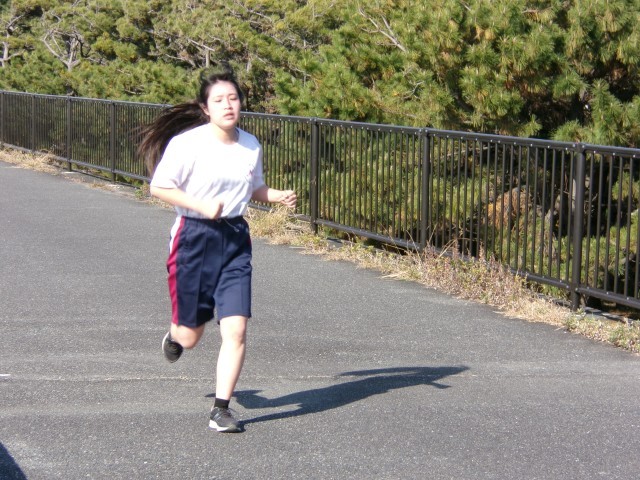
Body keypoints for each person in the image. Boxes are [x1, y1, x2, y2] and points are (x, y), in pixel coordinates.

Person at [138, 68, 297, 433]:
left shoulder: (250, 144)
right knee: (190, 337)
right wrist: (201, 205)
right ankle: (175, 335)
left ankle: (221, 409)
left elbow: (254, 188)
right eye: (219, 100)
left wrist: (276, 196)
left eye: (233, 98)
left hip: (235, 239)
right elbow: (159, 187)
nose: (228, 105)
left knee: (236, 330)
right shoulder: (188, 144)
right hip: (193, 238)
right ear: (205, 108)